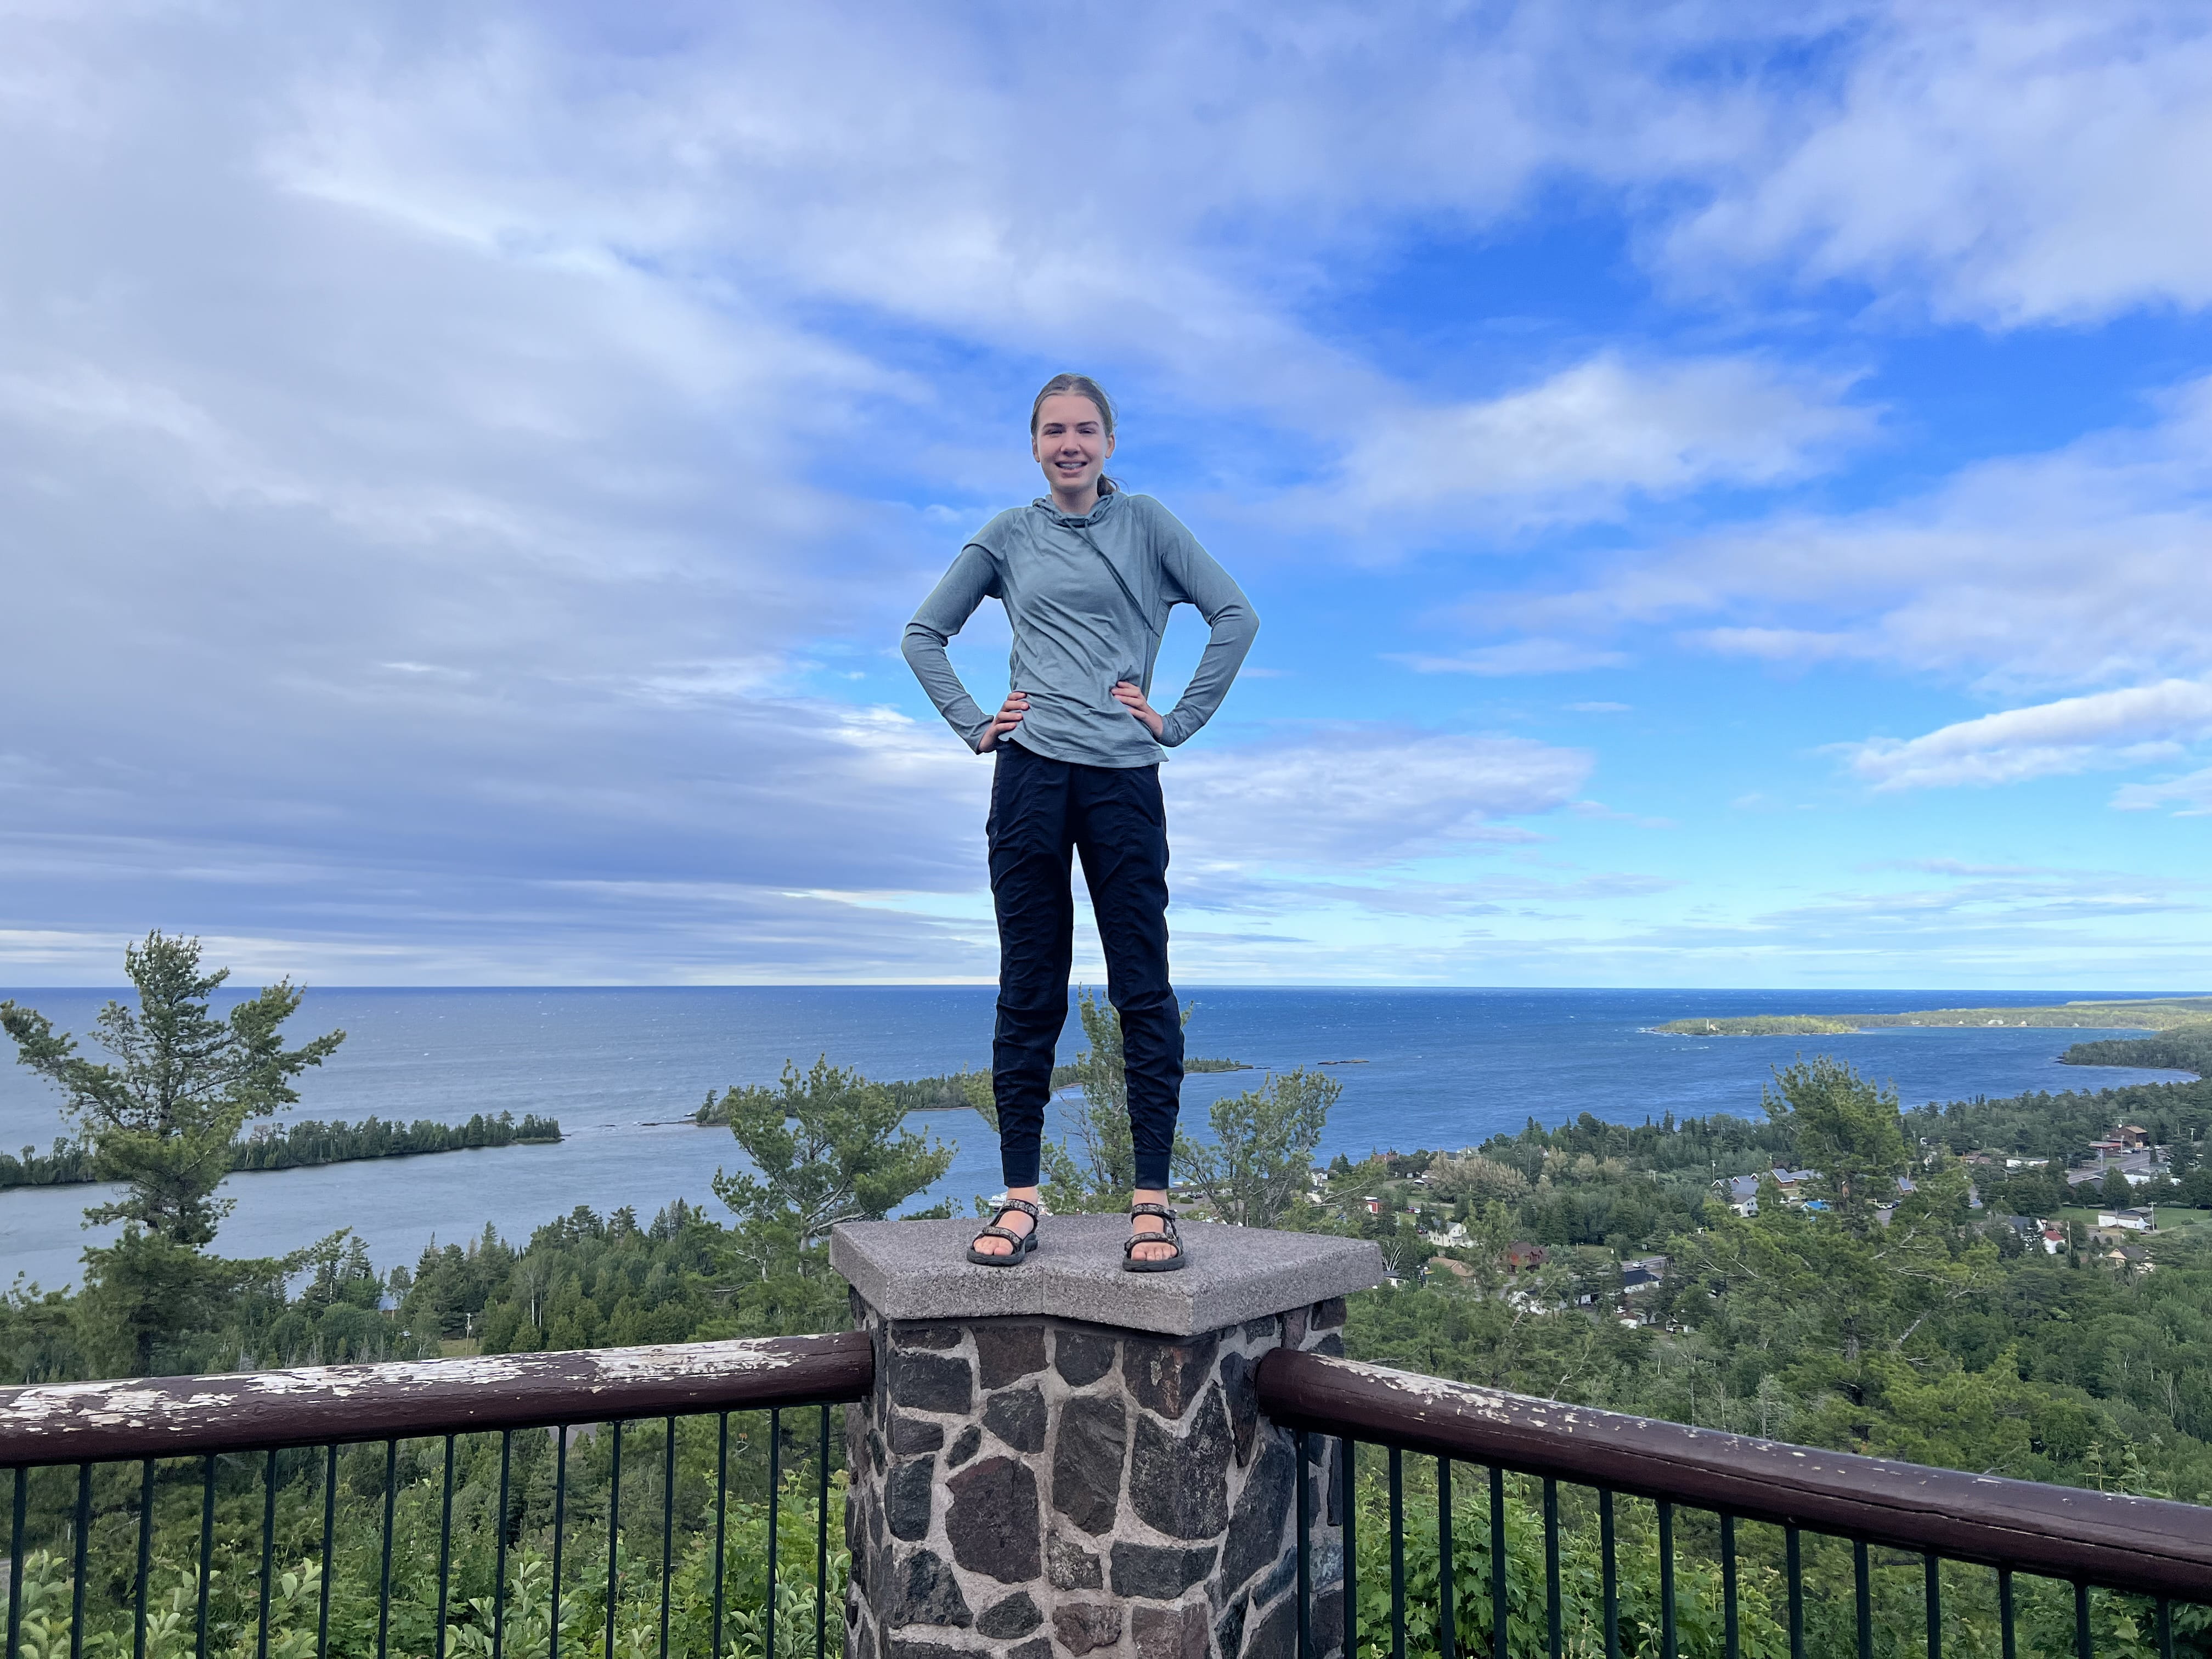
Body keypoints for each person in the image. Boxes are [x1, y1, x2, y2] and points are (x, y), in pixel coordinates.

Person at [901, 374, 1258, 1270]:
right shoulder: (1008, 535)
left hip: (1124, 778)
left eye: (1086, 430)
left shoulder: (1147, 526)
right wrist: (977, 724)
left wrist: (1175, 721)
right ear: (1034, 446)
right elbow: (922, 635)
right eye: (1054, 431)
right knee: (1031, 985)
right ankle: (1020, 1200)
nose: (1071, 444)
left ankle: (1152, 1205)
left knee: (1143, 985)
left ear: (1109, 441)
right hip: (1029, 776)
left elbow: (1235, 616)